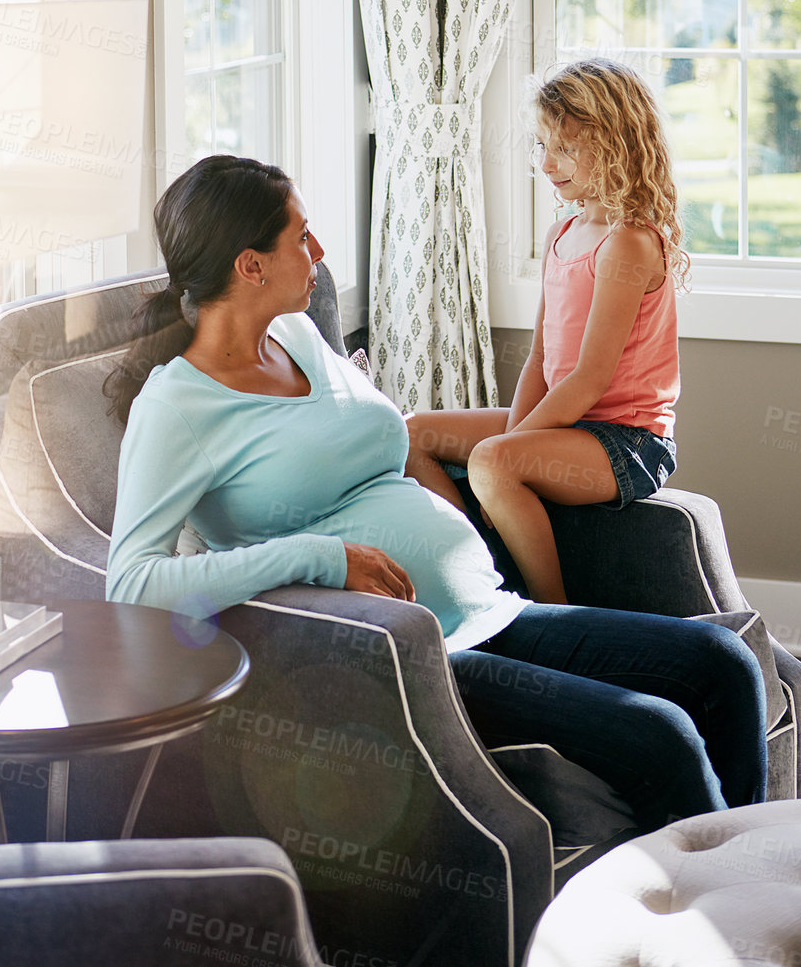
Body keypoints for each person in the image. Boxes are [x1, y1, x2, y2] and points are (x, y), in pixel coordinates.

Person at [104, 153, 765, 835]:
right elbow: (131, 582)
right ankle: (723, 913)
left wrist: (470, 533)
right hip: (415, 656)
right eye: (302, 236)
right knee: (659, 732)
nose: (319, 251)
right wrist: (319, 556)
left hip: (491, 605)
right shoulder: (177, 408)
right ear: (250, 265)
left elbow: (391, 447)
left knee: (724, 666)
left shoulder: (297, 335)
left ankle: (775, 880)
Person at [405, 58, 685, 603]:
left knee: (492, 459)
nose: (547, 162)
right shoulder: (566, 231)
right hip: (568, 426)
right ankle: (482, 562)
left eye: (565, 148)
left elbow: (587, 380)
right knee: (413, 432)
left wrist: (508, 446)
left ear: (616, 145)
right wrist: (513, 440)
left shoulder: (628, 242)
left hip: (625, 440)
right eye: (541, 146)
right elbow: (539, 359)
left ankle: (551, 608)